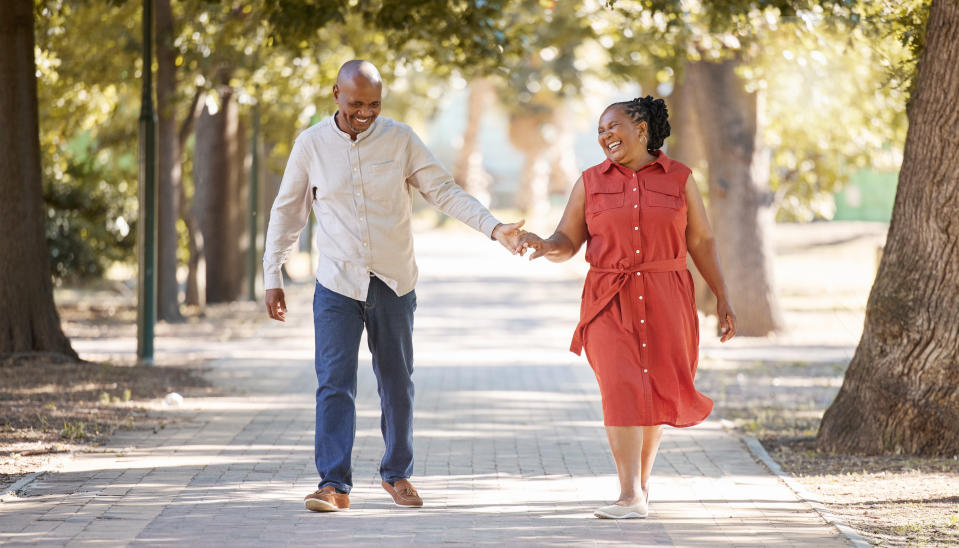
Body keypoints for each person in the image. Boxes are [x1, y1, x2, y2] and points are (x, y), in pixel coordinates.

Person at [262, 60, 525, 513]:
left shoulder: (400, 138)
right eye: (355, 103)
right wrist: (273, 275)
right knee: (333, 385)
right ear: (335, 95)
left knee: (397, 383)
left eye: (374, 104)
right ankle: (333, 484)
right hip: (337, 284)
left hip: (393, 282)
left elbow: (442, 190)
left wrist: (494, 228)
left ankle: (397, 475)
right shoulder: (311, 145)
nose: (365, 112)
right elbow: (288, 213)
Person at [518, 95, 737, 519]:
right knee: (621, 387)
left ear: (641, 129)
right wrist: (545, 246)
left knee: (652, 390)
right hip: (608, 299)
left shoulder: (679, 178)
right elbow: (567, 239)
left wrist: (724, 296)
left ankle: (640, 487)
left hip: (667, 296)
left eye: (612, 127)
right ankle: (628, 495)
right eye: (600, 131)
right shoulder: (590, 181)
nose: (604, 136)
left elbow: (702, 241)